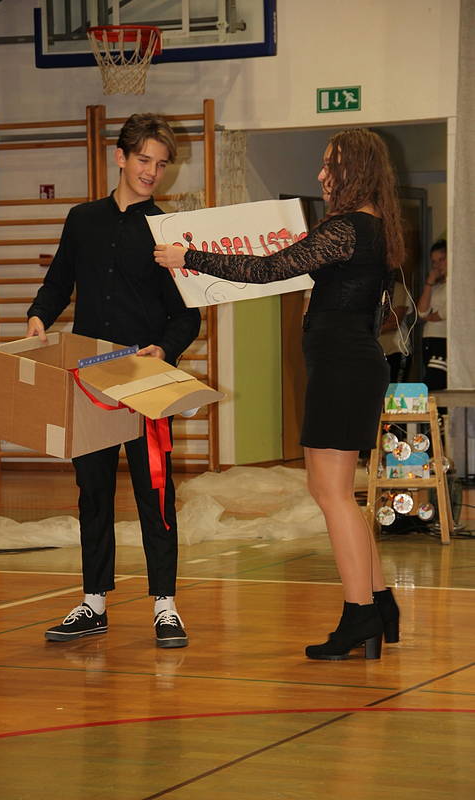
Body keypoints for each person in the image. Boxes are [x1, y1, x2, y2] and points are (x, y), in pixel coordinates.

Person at [154, 128, 405, 661]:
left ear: (355, 170)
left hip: (343, 370)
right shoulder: (372, 228)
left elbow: (267, 269)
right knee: (334, 491)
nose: (321, 174)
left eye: (330, 165)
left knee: (332, 494)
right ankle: (379, 603)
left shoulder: (348, 228)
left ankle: (360, 614)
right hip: (350, 367)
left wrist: (188, 256)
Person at [27, 114, 201, 647]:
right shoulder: (82, 220)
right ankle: (94, 602)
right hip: (89, 380)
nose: (152, 172)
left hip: (144, 381)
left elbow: (187, 316)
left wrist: (164, 349)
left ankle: (165, 605)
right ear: (121, 157)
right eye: (144, 159)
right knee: (93, 493)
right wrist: (38, 316)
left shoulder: (167, 233)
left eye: (161, 164)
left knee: (155, 492)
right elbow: (58, 282)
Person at [417, 239, 447, 391]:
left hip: (443, 340)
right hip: (429, 340)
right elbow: (422, 311)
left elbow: (444, 313)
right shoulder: (436, 286)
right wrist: (429, 282)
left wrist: (428, 317)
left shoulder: (455, 285)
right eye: (434, 262)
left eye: (442, 260)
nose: (437, 265)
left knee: (433, 384)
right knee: (435, 384)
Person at [379, 271, 412, 382]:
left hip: (396, 350)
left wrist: (365, 330)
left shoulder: (399, 288)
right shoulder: (366, 290)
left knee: (395, 390)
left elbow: (393, 323)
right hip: (375, 351)